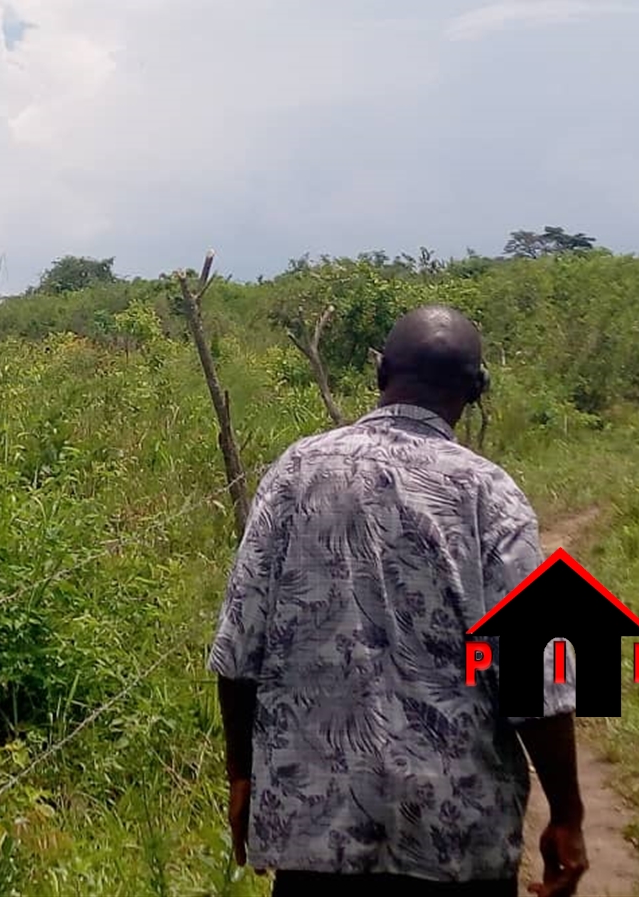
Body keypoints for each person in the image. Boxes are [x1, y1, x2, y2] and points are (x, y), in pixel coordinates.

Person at [209, 304, 588, 897]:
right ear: (475, 391)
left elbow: (239, 649)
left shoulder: (293, 472)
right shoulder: (491, 492)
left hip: (315, 836)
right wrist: (567, 815)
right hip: (454, 841)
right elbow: (536, 673)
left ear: (381, 373)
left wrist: (242, 777)